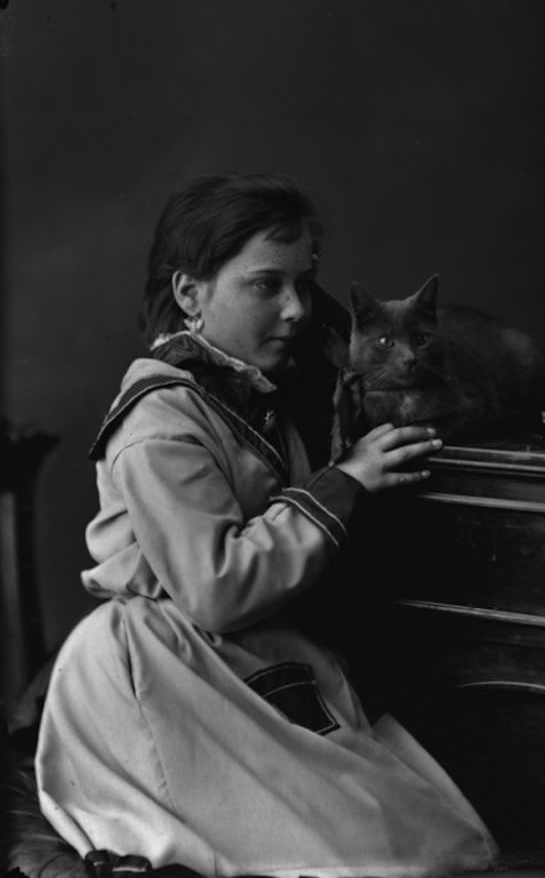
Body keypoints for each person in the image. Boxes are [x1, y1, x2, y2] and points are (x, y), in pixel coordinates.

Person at [35, 172, 498, 877]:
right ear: (190, 292)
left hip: (239, 657)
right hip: (162, 670)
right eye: (264, 286)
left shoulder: (252, 394)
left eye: (303, 283)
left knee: (437, 842)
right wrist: (341, 485)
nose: (295, 310)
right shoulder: (159, 418)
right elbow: (216, 590)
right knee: (377, 859)